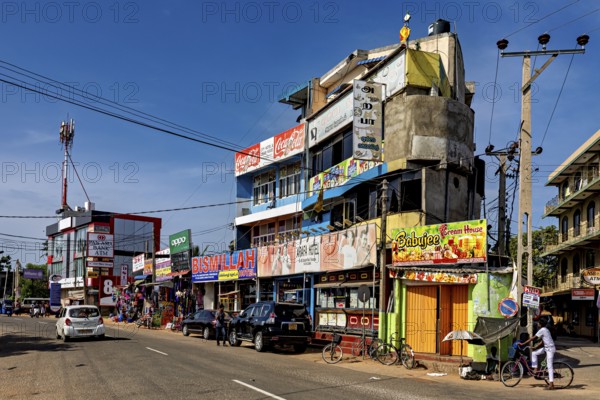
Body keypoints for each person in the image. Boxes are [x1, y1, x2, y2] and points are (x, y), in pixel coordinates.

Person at [520, 317, 556, 390]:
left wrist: (523, 343)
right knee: (534, 353)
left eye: (538, 323)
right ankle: (535, 369)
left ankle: (551, 384)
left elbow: (533, 338)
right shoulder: (545, 330)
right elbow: (543, 342)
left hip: (550, 349)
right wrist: (535, 348)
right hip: (546, 348)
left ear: (541, 324)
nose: (538, 324)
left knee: (549, 366)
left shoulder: (542, 330)